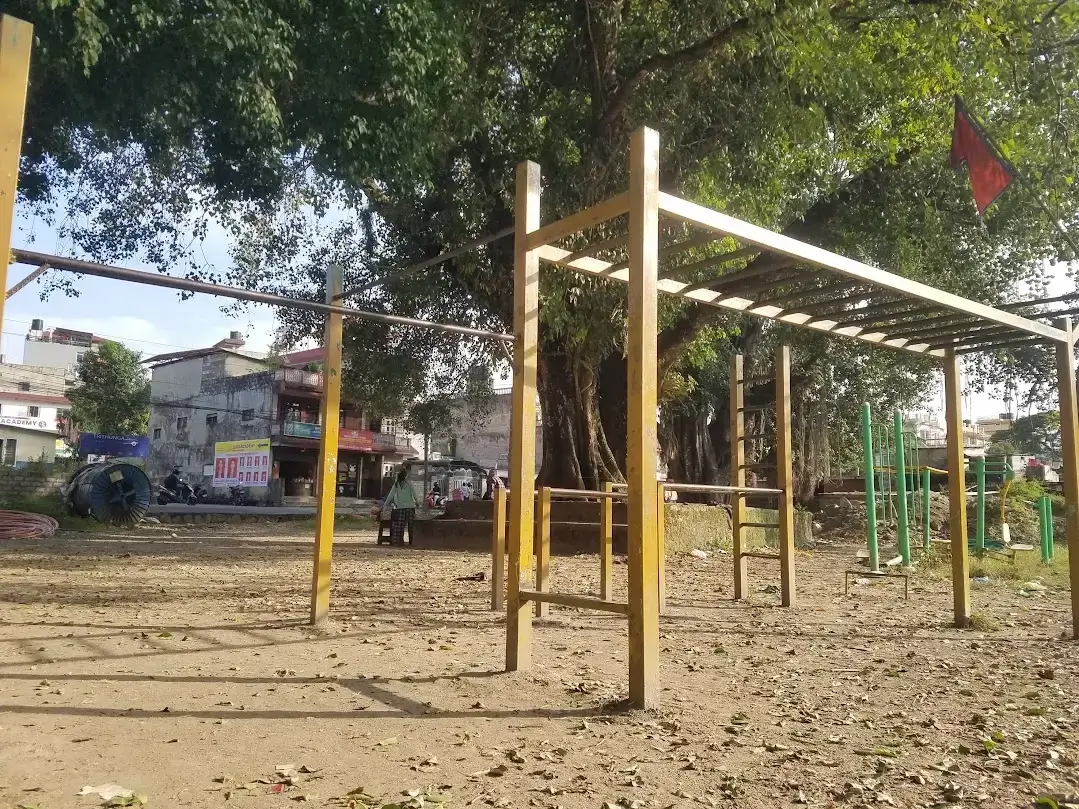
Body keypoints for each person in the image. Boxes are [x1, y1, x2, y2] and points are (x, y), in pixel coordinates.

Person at [382, 469, 419, 546]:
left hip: (400, 508)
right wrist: (417, 503)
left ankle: (399, 541)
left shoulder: (396, 484)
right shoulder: (409, 483)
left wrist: (385, 505)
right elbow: (414, 494)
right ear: (406, 476)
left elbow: (390, 496)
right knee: (411, 525)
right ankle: (412, 542)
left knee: (400, 526)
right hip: (410, 507)